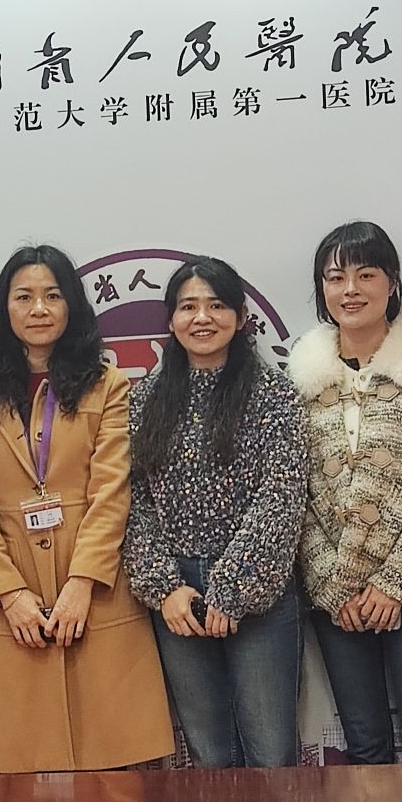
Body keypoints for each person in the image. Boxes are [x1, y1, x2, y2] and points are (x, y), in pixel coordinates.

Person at [0, 244, 174, 772]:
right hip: (17, 599)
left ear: (72, 305)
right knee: (20, 782)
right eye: (23, 297)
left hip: (98, 593)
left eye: (52, 296)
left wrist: (82, 582)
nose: (39, 309)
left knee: (116, 779)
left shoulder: (107, 384)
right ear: (4, 308)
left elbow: (111, 491)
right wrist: (9, 594)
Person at [288, 221, 402, 765]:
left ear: (392, 281)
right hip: (334, 593)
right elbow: (294, 492)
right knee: (364, 746)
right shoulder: (302, 376)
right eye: (335, 277)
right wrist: (333, 586)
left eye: (366, 275)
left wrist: (393, 583)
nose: (350, 290)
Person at [123, 256, 308, 769]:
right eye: (188, 307)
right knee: (208, 756)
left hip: (259, 595)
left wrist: (232, 588)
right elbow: (132, 500)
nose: (202, 318)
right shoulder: (146, 400)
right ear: (170, 319)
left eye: (217, 305)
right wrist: (163, 587)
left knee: (271, 755)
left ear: (241, 317)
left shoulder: (274, 395)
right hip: (177, 597)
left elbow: (282, 495)